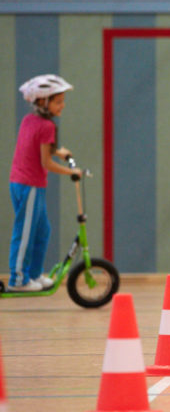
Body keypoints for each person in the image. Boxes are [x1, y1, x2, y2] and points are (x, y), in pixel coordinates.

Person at [8, 74, 81, 292]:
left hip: (23, 182)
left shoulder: (31, 121)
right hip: (29, 184)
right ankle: (18, 280)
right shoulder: (47, 126)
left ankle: (33, 275)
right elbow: (46, 162)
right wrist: (71, 171)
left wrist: (59, 151)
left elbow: (39, 147)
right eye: (58, 101)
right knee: (26, 232)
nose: (63, 105)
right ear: (42, 102)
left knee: (42, 230)